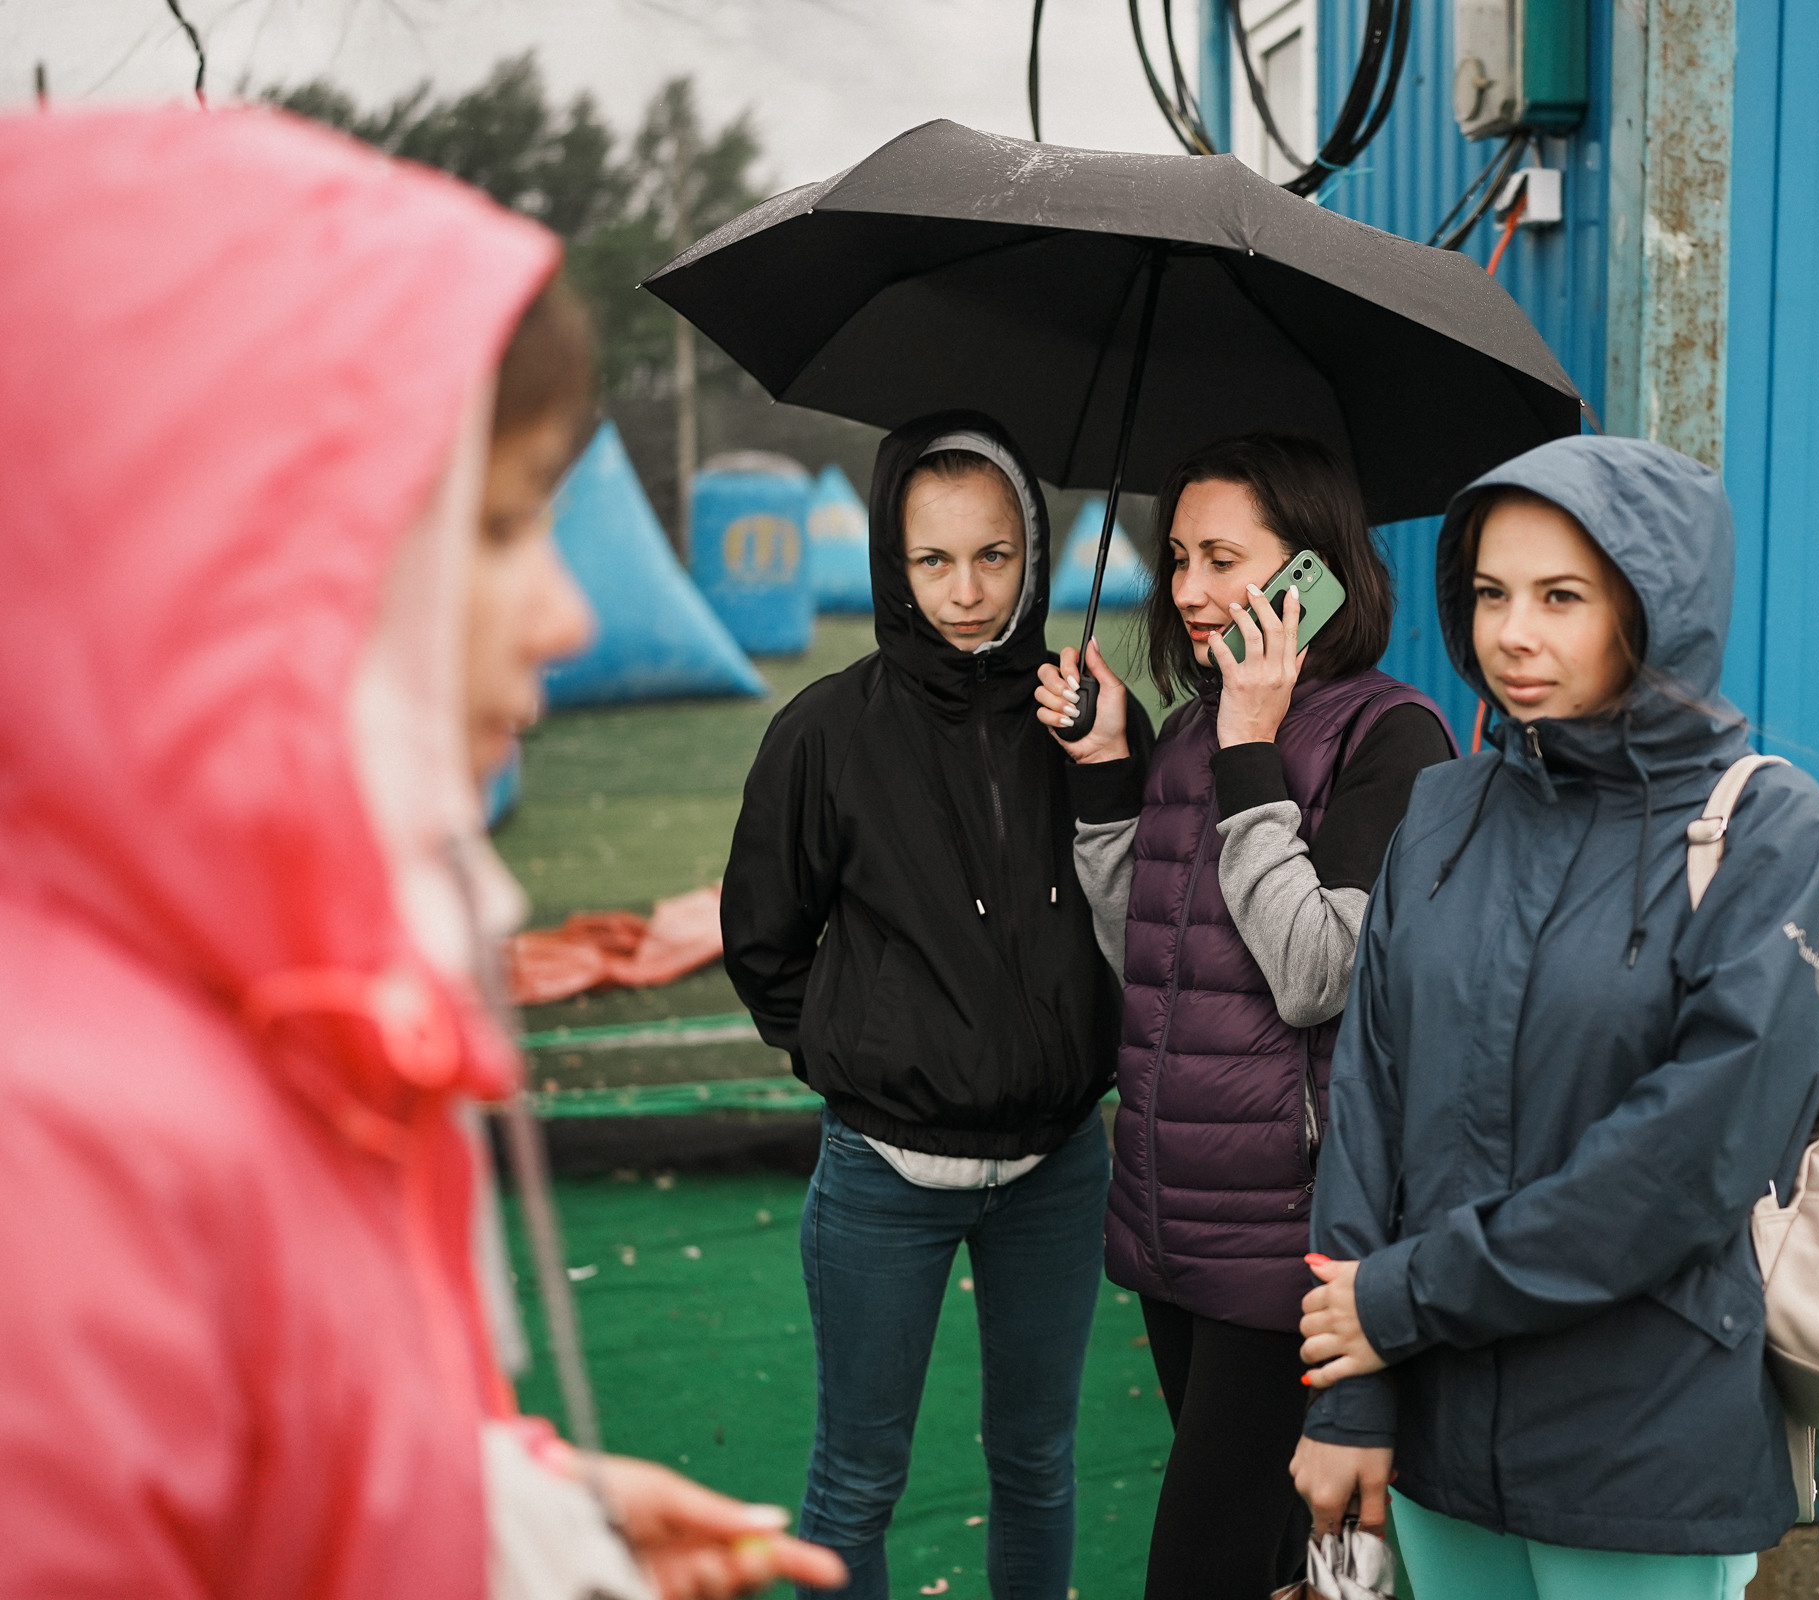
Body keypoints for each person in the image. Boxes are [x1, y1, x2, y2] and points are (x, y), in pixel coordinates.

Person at [0, 106, 842, 1598]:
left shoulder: (294, 1013)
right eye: (504, 524)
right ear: (251, 548)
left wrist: (512, 1511)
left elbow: (279, 1451)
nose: (567, 617)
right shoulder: (54, 1170)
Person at [1287, 436, 1819, 1600]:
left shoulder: (1768, 830)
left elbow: (1685, 1161)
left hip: (1641, 1452)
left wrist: (1404, 1300)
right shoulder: (1443, 811)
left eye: (1561, 597)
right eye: (1490, 593)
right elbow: (1368, 1097)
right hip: (1439, 1442)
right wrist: (1353, 1389)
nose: (1513, 634)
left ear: (1655, 606)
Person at [722, 411, 1145, 1600]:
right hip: (881, 1177)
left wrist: (1109, 764)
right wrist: (862, 1049)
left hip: (1058, 1169)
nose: (966, 590)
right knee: (855, 1481)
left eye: (994, 555)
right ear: (890, 564)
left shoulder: (1092, 717)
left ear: (1035, 554)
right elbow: (763, 941)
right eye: (933, 559)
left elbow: (1139, 918)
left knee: (1040, 1464)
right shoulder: (822, 732)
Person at [1029, 433, 1453, 1600]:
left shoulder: (1391, 737)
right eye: (1177, 558)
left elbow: (1318, 972)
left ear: (1310, 571)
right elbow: (1151, 960)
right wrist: (1111, 774)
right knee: (1292, 1565)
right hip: (1175, 1225)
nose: (1190, 590)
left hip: (1295, 1243)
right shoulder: (1186, 731)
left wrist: (1252, 751)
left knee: (1209, 1568)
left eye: (1224, 556)